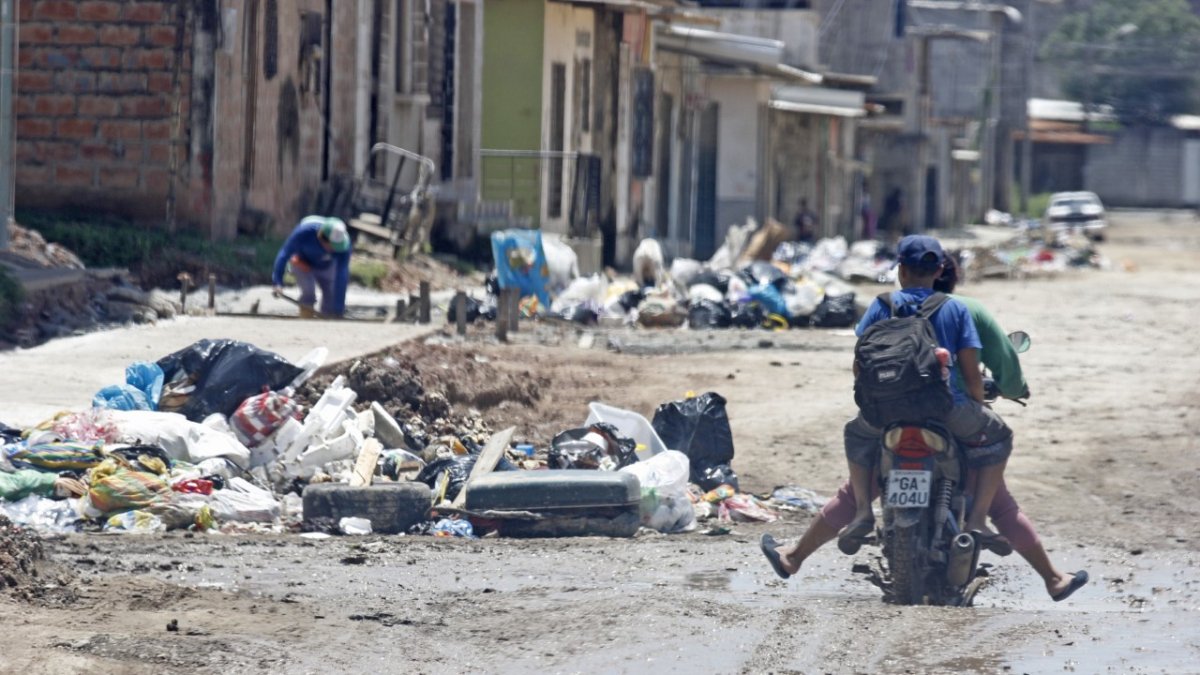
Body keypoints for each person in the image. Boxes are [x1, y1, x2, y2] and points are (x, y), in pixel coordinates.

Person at [760, 253, 1088, 602]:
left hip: (888, 413)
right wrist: (994, 394)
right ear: (942, 274)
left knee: (856, 490)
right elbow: (987, 369)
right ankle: (1048, 575)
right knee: (1001, 501)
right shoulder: (966, 309)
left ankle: (797, 555)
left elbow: (860, 362)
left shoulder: (883, 304)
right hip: (947, 413)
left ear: (901, 271)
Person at [271, 216, 353, 318]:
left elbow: (342, 274)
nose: (335, 250)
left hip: (326, 266)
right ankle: (306, 321)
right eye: (332, 246)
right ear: (321, 238)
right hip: (301, 263)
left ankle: (327, 324)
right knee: (308, 293)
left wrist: (338, 310)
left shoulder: (344, 244)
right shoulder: (304, 233)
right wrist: (277, 282)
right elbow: (284, 254)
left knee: (331, 298)